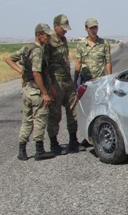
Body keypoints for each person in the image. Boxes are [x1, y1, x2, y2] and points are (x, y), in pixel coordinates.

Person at [4, 23, 56, 161]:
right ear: (39, 35)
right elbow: (37, 73)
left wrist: (21, 71)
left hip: (26, 89)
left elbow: (8, 58)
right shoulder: (38, 51)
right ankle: (39, 150)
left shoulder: (27, 48)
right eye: (46, 35)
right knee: (40, 119)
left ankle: (22, 150)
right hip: (36, 90)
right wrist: (45, 92)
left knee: (27, 120)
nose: (49, 37)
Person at [46, 14, 84, 155]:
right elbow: (44, 65)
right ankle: (54, 143)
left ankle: (73, 141)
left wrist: (73, 81)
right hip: (55, 81)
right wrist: (49, 86)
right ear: (56, 26)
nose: (65, 31)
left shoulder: (64, 40)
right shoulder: (48, 41)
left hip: (67, 80)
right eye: (63, 28)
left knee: (73, 112)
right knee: (55, 114)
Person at [74, 17, 112, 148]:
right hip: (85, 81)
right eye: (91, 28)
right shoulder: (81, 45)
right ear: (86, 29)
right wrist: (75, 80)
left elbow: (108, 62)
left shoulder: (104, 43)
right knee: (85, 109)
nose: (94, 30)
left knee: (99, 108)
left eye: (95, 27)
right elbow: (78, 63)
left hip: (99, 82)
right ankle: (85, 137)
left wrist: (109, 79)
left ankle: (97, 135)